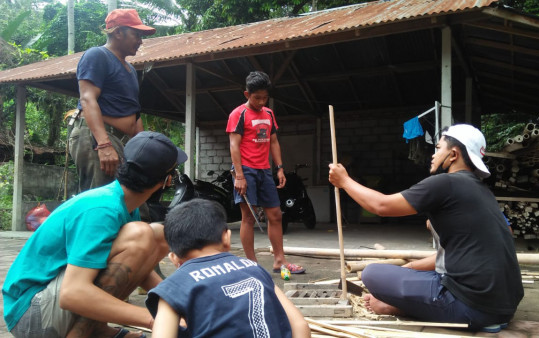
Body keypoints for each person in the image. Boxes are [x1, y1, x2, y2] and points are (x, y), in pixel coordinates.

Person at [328, 124, 523, 333]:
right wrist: (407, 269)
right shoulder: (483, 191)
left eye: (438, 148)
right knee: (401, 274)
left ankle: (399, 308)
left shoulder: (444, 183)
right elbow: (480, 245)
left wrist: (345, 181)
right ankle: (413, 302)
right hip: (505, 306)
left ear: (453, 154)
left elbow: (381, 206)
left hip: (473, 307)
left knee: (372, 274)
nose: (433, 154)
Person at [3, 131, 187, 338]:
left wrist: (180, 306)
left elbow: (135, 269)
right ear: (167, 181)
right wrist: (156, 320)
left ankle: (94, 329)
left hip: (48, 305)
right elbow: (72, 294)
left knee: (157, 235)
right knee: (143, 234)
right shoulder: (102, 209)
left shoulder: (125, 205)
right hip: (32, 314)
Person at [146, 198, 310, 337]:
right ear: (227, 238)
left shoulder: (173, 287)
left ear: (173, 258)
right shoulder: (254, 268)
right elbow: (300, 325)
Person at [226, 71, 305, 274]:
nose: (261, 102)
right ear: (246, 94)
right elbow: (234, 146)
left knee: (276, 215)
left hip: (265, 170)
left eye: (265, 97)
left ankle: (280, 261)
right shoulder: (238, 114)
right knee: (248, 218)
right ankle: (252, 265)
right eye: (256, 98)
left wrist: (279, 168)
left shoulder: (269, 114)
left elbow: (274, 141)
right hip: (246, 171)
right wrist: (240, 176)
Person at [69, 8, 155, 192]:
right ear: (118, 32)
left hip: (120, 141)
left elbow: (135, 113)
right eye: (136, 34)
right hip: (98, 137)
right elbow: (87, 98)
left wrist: (142, 152)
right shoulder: (97, 55)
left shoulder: (130, 70)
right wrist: (104, 144)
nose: (140, 41)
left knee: (129, 201)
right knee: (102, 203)